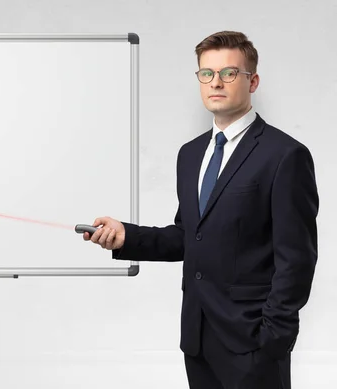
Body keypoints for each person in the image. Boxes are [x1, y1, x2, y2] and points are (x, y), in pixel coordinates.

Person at [83, 31, 319, 389]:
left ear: (252, 81)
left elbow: (297, 259)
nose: (216, 82)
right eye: (206, 73)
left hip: (253, 343)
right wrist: (126, 237)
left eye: (229, 73)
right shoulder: (190, 154)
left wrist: (273, 338)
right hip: (197, 337)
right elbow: (189, 235)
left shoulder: (285, 155)